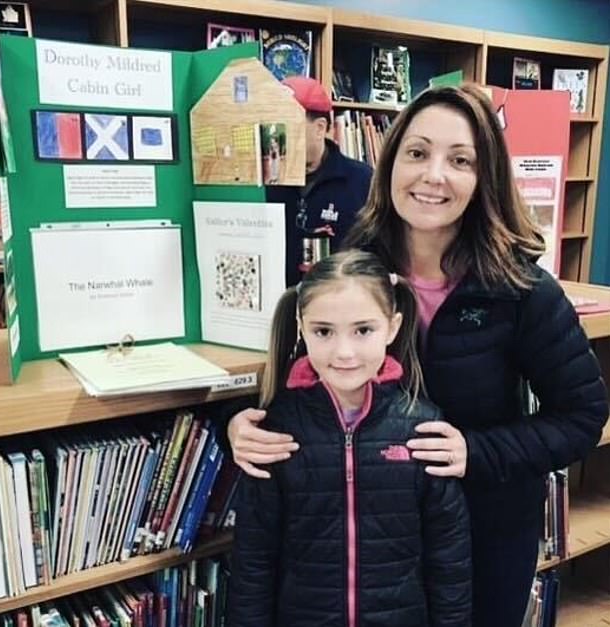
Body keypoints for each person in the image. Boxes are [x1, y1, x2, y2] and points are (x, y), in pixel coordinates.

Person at [226, 84, 608, 627]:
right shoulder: (353, 264)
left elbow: (583, 416)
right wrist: (237, 423)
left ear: (484, 178)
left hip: (484, 531)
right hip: (374, 542)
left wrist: (476, 452)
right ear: (391, 164)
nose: (433, 175)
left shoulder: (523, 289)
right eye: (417, 152)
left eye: (460, 160)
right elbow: (299, 365)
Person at [227, 250, 471, 627]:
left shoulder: (423, 428)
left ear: (392, 327)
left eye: (363, 330)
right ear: (301, 326)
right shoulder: (275, 433)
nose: (344, 352)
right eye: (323, 331)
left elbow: (449, 558)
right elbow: (253, 560)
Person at [271, 76, 373, 286]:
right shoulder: (266, 182)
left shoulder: (363, 181)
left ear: (320, 128)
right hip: (279, 307)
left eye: (289, 125)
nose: (279, 136)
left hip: (339, 306)